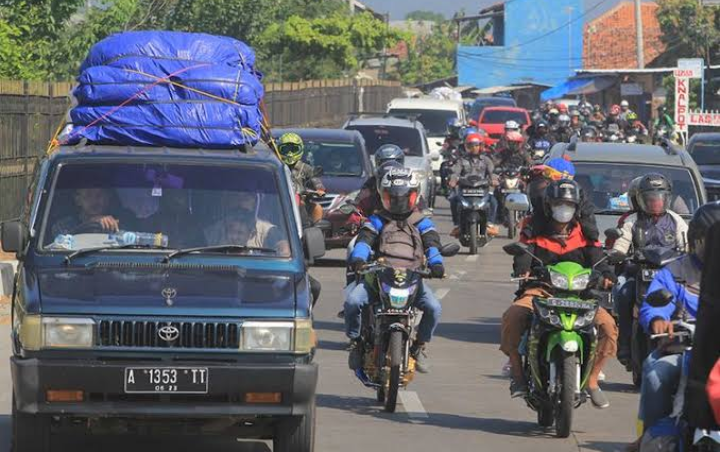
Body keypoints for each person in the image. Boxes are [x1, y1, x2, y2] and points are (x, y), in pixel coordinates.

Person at [500, 179, 617, 407]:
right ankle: (516, 370)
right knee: (514, 315)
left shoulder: (585, 233)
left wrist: (607, 276)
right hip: (542, 291)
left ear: (577, 208)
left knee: (608, 326)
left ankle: (592, 380)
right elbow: (523, 254)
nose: (563, 210)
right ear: (548, 206)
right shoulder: (534, 229)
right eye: (558, 204)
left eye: (568, 205)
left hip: (581, 295)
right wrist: (523, 270)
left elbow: (598, 259)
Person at [628, 202, 720, 451]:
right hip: (687, 348)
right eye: (711, 241)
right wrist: (658, 318)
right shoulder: (676, 271)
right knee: (656, 372)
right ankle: (649, 436)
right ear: (696, 240)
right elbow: (655, 301)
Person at [344, 167, 444, 373]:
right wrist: (359, 259)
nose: (399, 202)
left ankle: (419, 346)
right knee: (353, 302)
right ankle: (355, 343)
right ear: (383, 196)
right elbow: (365, 239)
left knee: (434, 308)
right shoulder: (377, 220)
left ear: (414, 196)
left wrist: (436, 263)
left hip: (412, 278)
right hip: (378, 275)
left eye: (404, 197)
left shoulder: (421, 221)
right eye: (393, 198)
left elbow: (432, 243)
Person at [611, 174, 688, 364]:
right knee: (623, 291)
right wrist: (618, 254)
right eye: (651, 199)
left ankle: (685, 341)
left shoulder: (676, 220)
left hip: (669, 274)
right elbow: (621, 244)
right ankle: (625, 344)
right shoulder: (631, 220)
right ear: (641, 200)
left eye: (660, 198)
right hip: (636, 272)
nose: (656, 203)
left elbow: (687, 246)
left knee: (687, 297)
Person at [525, 157, 600, 242]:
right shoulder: (538, 214)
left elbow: (592, 234)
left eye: (547, 181)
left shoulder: (581, 201)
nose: (541, 186)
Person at [203, 191, 291, 256]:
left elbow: (285, 253)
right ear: (227, 202)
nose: (240, 203)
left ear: (255, 203)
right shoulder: (213, 231)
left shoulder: (268, 231)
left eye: (246, 198)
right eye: (235, 197)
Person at [448, 133, 498, 238]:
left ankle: (490, 224)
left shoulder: (486, 160)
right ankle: (457, 225)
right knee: (453, 201)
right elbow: (455, 173)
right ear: (467, 147)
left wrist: (493, 180)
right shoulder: (462, 160)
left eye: (476, 145)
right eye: (471, 146)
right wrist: (453, 180)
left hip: (482, 189)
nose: (474, 148)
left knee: (493, 201)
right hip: (465, 189)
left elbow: (492, 172)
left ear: (481, 146)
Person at [277, 132, 326, 224]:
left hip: (301, 200)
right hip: (279, 201)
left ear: (300, 149)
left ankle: (313, 232)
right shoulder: (276, 167)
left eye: (293, 149)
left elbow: (317, 183)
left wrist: (318, 190)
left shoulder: (306, 168)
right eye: (285, 149)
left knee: (317, 208)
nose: (290, 153)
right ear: (278, 150)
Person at [51, 188, 121, 237]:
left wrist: (113, 228)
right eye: (88, 195)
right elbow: (61, 244)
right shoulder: (64, 225)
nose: (94, 201)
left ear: (107, 198)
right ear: (78, 200)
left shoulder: (121, 221)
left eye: (99, 195)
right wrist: (91, 223)